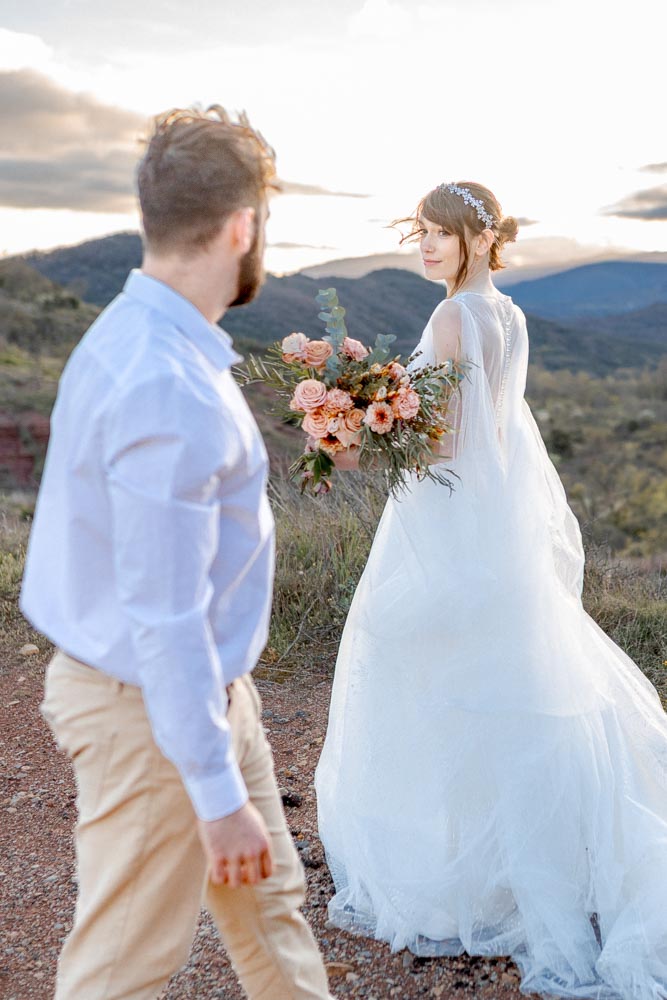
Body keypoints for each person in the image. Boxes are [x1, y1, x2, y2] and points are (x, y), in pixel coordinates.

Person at [315, 181, 667, 999]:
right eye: (419, 232)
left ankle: (467, 874)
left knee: (430, 669)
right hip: (492, 515)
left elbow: (443, 441)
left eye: (440, 233)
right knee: (507, 681)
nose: (426, 246)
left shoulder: (453, 318)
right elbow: (494, 428)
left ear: (478, 239)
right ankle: (512, 862)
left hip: (450, 519)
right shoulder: (506, 313)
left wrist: (349, 444)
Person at [21, 106, 332, 1000]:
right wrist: (215, 793)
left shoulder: (134, 332)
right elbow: (162, 612)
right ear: (242, 227)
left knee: (271, 916)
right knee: (120, 968)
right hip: (152, 712)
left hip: (201, 694)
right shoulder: (167, 383)